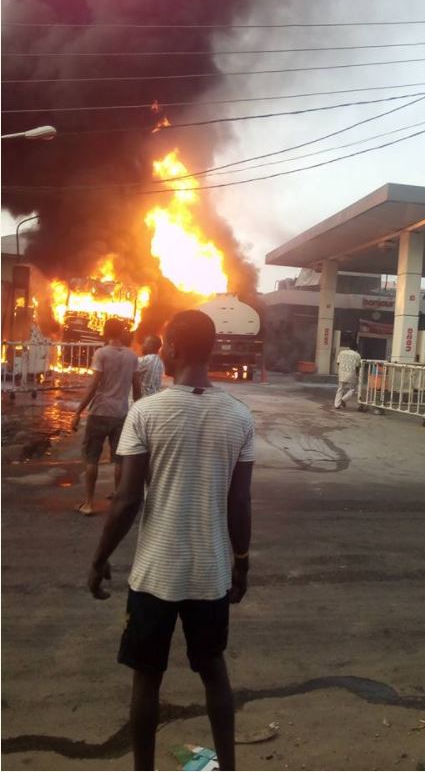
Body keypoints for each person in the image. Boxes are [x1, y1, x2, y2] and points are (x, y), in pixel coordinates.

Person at [88, 310, 254, 771]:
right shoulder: (239, 417)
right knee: (213, 671)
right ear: (213, 350)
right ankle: (229, 766)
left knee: (147, 681)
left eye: (163, 345)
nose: (159, 351)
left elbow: (125, 502)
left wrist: (99, 559)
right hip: (211, 573)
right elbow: (239, 505)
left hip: (155, 574)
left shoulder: (145, 412)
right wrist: (241, 562)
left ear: (173, 351)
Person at [72, 318, 141, 516]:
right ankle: (117, 504)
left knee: (91, 457)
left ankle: (89, 503)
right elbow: (137, 389)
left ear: (105, 332)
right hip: (121, 414)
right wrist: (139, 413)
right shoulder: (132, 356)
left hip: (100, 412)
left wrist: (78, 411)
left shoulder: (101, 354)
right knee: (118, 460)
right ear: (121, 332)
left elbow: (94, 385)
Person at [335, 336, 361, 409]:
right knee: (352, 389)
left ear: (349, 347)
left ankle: (337, 405)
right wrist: (358, 375)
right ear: (356, 348)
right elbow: (357, 367)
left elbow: (338, 363)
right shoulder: (357, 355)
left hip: (342, 373)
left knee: (340, 389)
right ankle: (344, 399)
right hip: (351, 374)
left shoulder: (342, 352)